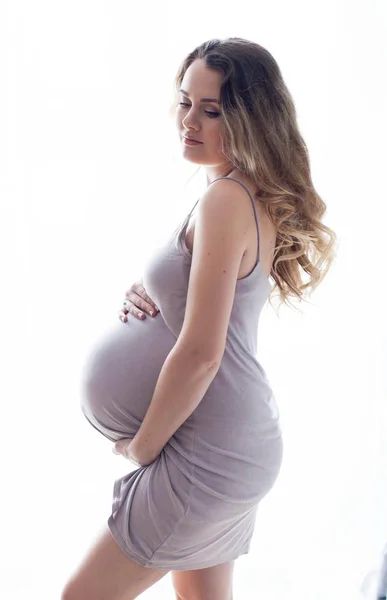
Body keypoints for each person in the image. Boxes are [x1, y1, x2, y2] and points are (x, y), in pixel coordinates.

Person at [62, 37, 337, 600]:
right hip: (232, 448)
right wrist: (159, 291)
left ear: (250, 120)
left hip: (206, 454)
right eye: (185, 101)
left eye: (210, 111)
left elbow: (202, 353)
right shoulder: (238, 193)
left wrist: (143, 448)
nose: (188, 120)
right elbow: (220, 299)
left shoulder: (227, 200)